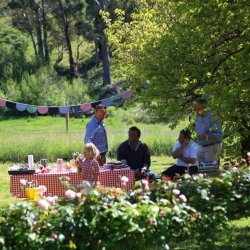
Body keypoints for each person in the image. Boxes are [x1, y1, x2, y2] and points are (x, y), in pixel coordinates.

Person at [195, 98, 223, 163]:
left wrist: (206, 137)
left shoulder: (212, 116)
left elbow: (219, 135)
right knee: (201, 171)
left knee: (211, 171)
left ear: (202, 106)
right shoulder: (199, 117)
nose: (195, 110)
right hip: (201, 147)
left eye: (197, 108)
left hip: (211, 148)